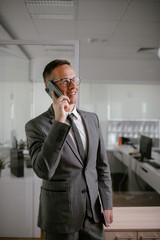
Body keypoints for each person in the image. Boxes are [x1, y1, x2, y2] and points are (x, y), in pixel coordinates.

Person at [25, 59, 113, 240]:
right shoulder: (36, 126)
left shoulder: (92, 119)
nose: (73, 86)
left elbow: (101, 167)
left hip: (93, 215)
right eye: (65, 81)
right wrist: (59, 122)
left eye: (75, 79)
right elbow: (43, 170)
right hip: (60, 217)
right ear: (49, 87)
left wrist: (107, 204)